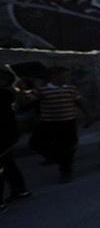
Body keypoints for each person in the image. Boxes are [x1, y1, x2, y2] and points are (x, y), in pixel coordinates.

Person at [30, 67, 89, 183]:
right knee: (35, 143)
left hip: (68, 122)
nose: (66, 78)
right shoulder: (43, 90)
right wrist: (27, 90)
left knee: (68, 146)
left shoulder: (71, 89)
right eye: (63, 75)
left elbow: (79, 102)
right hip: (49, 122)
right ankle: (57, 159)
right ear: (55, 76)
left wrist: (88, 114)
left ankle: (65, 170)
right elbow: (30, 101)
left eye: (67, 75)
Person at [0, 69, 31, 212]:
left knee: (4, 165)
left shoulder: (5, 94)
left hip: (4, 136)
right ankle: (20, 190)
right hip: (9, 135)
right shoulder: (8, 94)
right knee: (8, 164)